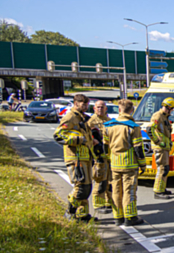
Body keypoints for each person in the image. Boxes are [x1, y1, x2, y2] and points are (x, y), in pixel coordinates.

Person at [104, 99, 147, 226]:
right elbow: (138, 147)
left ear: (119, 110)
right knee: (129, 191)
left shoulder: (108, 125)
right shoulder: (133, 127)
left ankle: (118, 217)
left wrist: (107, 159)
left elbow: (104, 146)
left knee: (116, 190)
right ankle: (130, 217)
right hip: (129, 164)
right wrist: (142, 164)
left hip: (114, 163)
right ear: (132, 110)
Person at [53, 94, 96, 222]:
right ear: (75, 103)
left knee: (87, 187)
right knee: (81, 187)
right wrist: (79, 140)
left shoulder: (82, 117)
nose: (85, 106)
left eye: (86, 104)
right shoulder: (70, 117)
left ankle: (82, 215)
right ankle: (70, 211)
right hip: (75, 158)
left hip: (86, 157)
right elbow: (58, 135)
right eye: (83, 104)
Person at [87, 100, 113, 213]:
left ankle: (109, 202)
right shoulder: (91, 121)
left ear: (106, 108)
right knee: (100, 179)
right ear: (94, 108)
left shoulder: (110, 121)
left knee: (110, 180)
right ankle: (98, 204)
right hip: (97, 155)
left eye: (102, 107)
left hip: (109, 155)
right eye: (97, 107)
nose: (100, 109)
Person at [150, 97, 174, 199]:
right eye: (171, 109)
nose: (172, 111)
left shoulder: (165, 117)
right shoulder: (158, 115)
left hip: (165, 147)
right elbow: (150, 129)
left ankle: (162, 187)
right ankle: (158, 191)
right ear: (168, 107)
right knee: (162, 168)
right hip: (160, 147)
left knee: (165, 169)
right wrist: (157, 142)